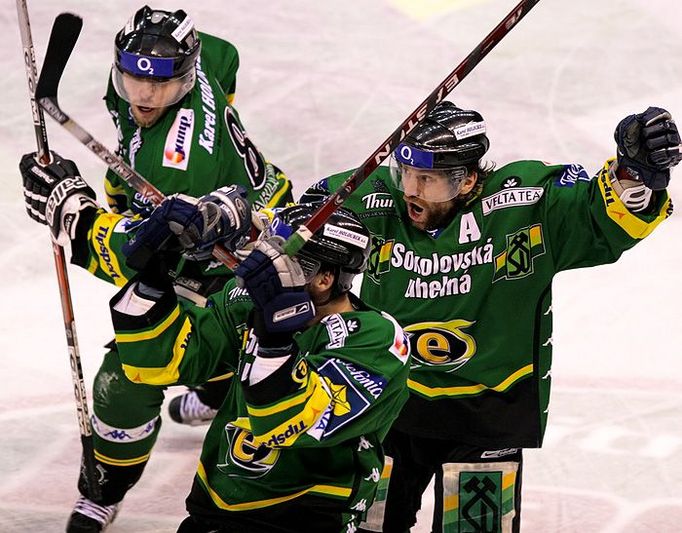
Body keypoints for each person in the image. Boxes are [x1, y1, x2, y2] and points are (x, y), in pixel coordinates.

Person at [300, 101, 680, 532]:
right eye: (406, 174)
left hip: (486, 412)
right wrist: (301, 230)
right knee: (366, 527)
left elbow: (604, 214)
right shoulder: (378, 201)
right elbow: (305, 218)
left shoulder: (526, 204)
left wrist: (635, 173)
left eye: (429, 180)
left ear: (468, 180)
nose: (412, 190)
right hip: (387, 403)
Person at [20, 5, 292, 532]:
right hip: (219, 216)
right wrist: (127, 197)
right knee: (203, 343)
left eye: (160, 87)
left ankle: (107, 487)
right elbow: (225, 56)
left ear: (186, 75)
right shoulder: (184, 63)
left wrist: (73, 215)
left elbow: (152, 256)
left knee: (131, 373)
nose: (143, 95)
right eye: (133, 78)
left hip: (236, 257)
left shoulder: (177, 163)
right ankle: (216, 387)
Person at [97, 192, 412, 532]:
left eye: (289, 262)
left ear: (324, 279)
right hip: (214, 509)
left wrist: (276, 337)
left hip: (306, 518)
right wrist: (156, 271)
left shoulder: (378, 340)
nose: (269, 268)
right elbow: (157, 365)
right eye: (270, 252)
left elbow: (289, 424)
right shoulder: (248, 306)